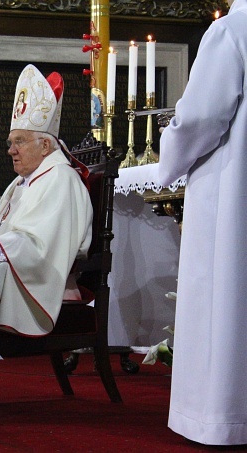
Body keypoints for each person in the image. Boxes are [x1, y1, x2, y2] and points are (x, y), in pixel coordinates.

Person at [0, 64, 93, 383]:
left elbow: (42, 247)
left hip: (45, 283)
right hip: (13, 271)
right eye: (11, 142)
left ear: (45, 145)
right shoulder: (22, 182)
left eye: (19, 141)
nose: (10, 150)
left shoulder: (61, 179)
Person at [158, 0, 247, 445]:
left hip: (233, 188)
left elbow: (201, 117)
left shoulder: (232, 30)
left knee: (226, 294)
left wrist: (167, 155)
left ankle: (221, 415)